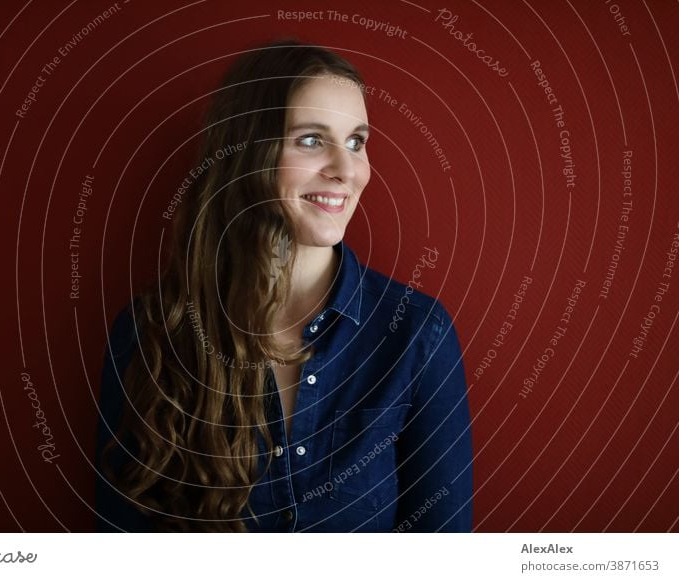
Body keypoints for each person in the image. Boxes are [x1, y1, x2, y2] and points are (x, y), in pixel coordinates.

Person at [95, 38, 473, 532]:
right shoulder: (151, 333)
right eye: (312, 139)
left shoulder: (416, 334)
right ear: (250, 152)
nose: (346, 169)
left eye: (357, 141)